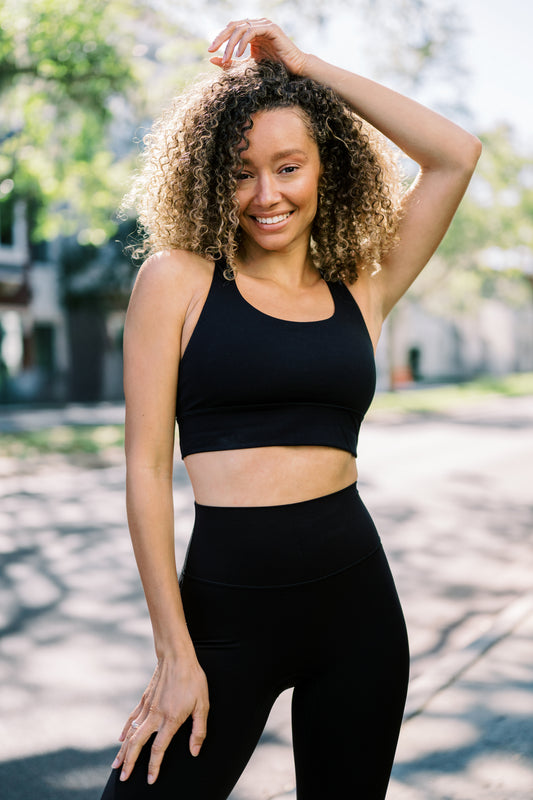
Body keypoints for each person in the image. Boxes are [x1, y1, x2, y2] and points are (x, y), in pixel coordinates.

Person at [100, 17, 481, 800]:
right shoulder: (176, 281)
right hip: (224, 620)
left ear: (325, 169)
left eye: (288, 166)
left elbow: (454, 155)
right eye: (241, 172)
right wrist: (175, 653)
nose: (266, 195)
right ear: (210, 177)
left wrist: (306, 69)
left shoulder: (360, 286)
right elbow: (143, 469)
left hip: (357, 614)